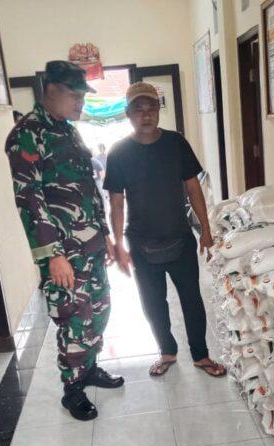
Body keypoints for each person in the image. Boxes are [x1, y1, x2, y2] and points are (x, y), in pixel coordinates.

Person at [5, 60, 124, 421]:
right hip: (64, 253)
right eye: (75, 95)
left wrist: (104, 235)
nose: (81, 103)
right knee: (74, 318)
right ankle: (72, 389)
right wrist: (53, 255)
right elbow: (30, 200)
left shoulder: (68, 131)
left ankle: (89, 369)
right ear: (52, 90)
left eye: (83, 96)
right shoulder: (28, 134)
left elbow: (87, 189)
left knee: (98, 310)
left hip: (90, 244)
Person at [104, 82, 226, 378]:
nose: (146, 114)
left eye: (151, 107)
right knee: (153, 303)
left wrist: (206, 231)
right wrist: (119, 244)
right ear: (128, 114)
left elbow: (194, 188)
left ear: (159, 111)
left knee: (192, 299)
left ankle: (201, 355)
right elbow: (116, 203)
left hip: (180, 236)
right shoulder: (119, 152)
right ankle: (167, 352)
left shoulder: (176, 143)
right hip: (141, 242)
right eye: (138, 109)